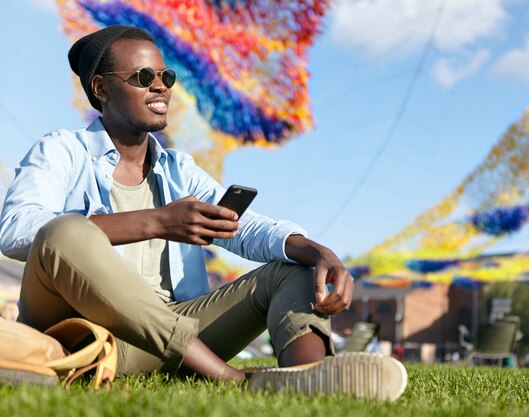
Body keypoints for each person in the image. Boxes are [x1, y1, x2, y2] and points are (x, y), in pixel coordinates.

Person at [0, 25, 406, 399]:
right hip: (87, 336)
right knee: (65, 233)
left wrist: (318, 252)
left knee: (293, 267)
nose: (160, 88)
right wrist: (155, 222)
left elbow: (243, 228)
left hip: (176, 339)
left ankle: (310, 378)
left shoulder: (179, 169)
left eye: (166, 77)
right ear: (101, 88)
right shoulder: (60, 150)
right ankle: (234, 380)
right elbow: (17, 229)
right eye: (144, 78)